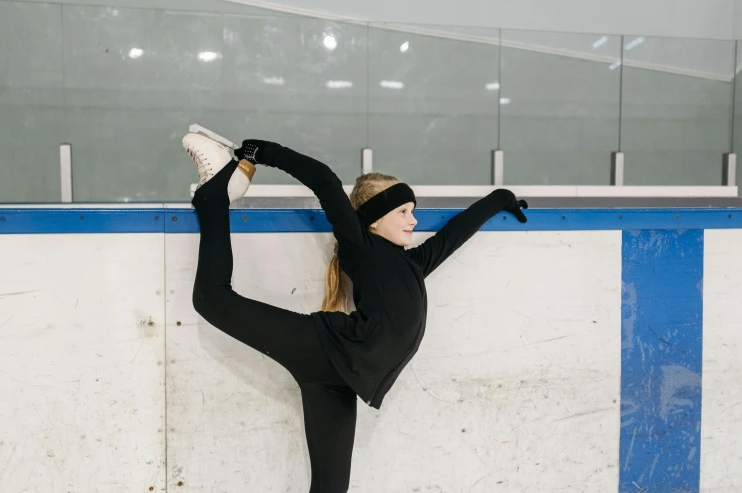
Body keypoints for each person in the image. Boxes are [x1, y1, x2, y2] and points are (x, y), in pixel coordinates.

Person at [181, 126, 528, 492]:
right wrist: (262, 151)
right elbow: (325, 181)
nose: (414, 220)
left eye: (414, 211)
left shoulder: (415, 263)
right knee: (211, 298)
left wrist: (502, 197)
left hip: (341, 379)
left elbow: (457, 231)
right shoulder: (360, 247)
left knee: (332, 488)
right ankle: (213, 199)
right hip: (325, 347)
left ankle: (219, 193)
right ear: (376, 218)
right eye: (404, 211)